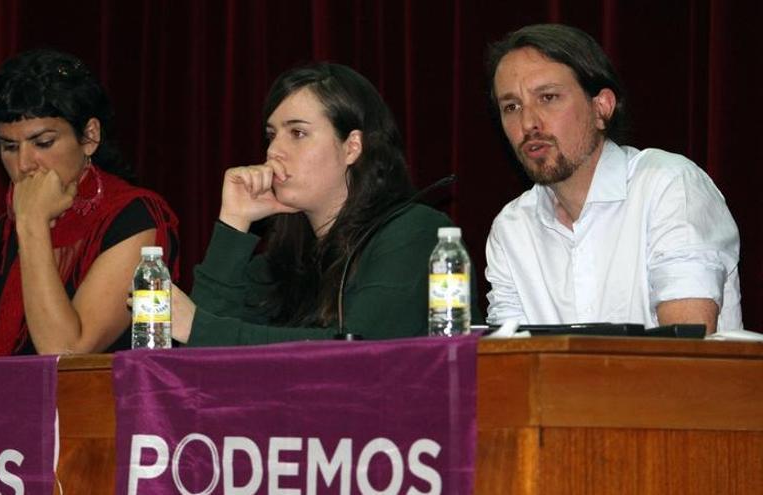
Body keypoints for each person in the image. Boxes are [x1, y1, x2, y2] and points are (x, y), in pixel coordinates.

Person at [0, 49, 179, 361]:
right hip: (7, 407)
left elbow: (64, 352)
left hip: (105, 406)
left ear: (90, 136)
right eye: (9, 147)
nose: (24, 164)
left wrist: (32, 223)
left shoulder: (133, 218)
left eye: (43, 143)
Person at [169, 62, 479, 346]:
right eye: (271, 135)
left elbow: (362, 350)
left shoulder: (417, 233)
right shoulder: (278, 263)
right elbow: (203, 360)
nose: (274, 150)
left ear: (351, 147)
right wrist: (233, 224)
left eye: (298, 133)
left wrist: (198, 328)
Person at [483, 24, 742, 334]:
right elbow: (508, 362)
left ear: (601, 107)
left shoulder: (669, 186)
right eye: (511, 106)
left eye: (548, 97)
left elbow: (685, 352)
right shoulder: (511, 228)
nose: (527, 123)